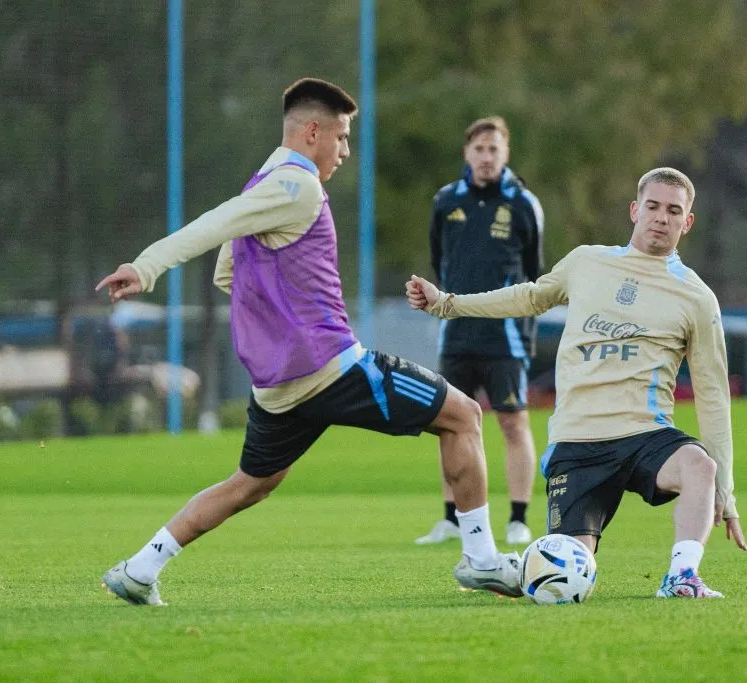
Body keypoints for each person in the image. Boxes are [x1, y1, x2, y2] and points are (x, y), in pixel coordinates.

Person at [95, 78, 521, 605]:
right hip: (331, 368)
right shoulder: (297, 186)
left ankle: (140, 568)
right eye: (341, 137)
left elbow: (229, 272)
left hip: (279, 387)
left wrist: (276, 312)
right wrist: (146, 267)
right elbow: (213, 225)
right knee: (463, 416)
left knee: (249, 483)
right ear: (312, 132)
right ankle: (481, 559)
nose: (345, 151)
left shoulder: (263, 183)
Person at [407, 167, 747, 598]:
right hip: (577, 442)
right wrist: (447, 304)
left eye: (674, 211)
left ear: (688, 221)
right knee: (568, 574)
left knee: (700, 467)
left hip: (645, 434)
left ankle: (681, 577)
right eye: (653, 206)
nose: (662, 218)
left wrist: (725, 491)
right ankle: (512, 570)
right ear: (635, 210)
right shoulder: (587, 262)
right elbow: (528, 296)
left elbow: (713, 394)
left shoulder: (697, 298)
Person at [416, 116, 544, 547]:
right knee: (449, 423)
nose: (486, 157)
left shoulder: (523, 203)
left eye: (494, 149)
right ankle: (452, 519)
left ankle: (518, 518)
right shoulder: (445, 201)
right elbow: (439, 260)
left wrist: (525, 328)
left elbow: (535, 274)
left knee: (513, 422)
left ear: (505, 153)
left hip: (506, 338)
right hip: (456, 335)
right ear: (466, 153)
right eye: (479, 149)